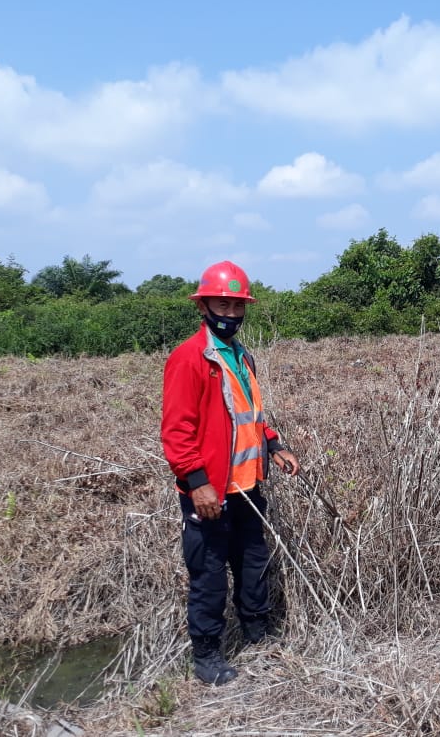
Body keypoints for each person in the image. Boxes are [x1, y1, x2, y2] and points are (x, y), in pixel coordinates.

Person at [161, 260, 301, 686]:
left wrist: (273, 444)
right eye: (224, 304)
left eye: (238, 307)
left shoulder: (241, 357)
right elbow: (176, 431)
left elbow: (248, 414)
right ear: (204, 305)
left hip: (247, 486)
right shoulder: (190, 358)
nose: (232, 315)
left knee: (252, 562)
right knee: (208, 573)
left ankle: (257, 633)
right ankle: (207, 657)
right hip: (210, 491)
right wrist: (197, 483)